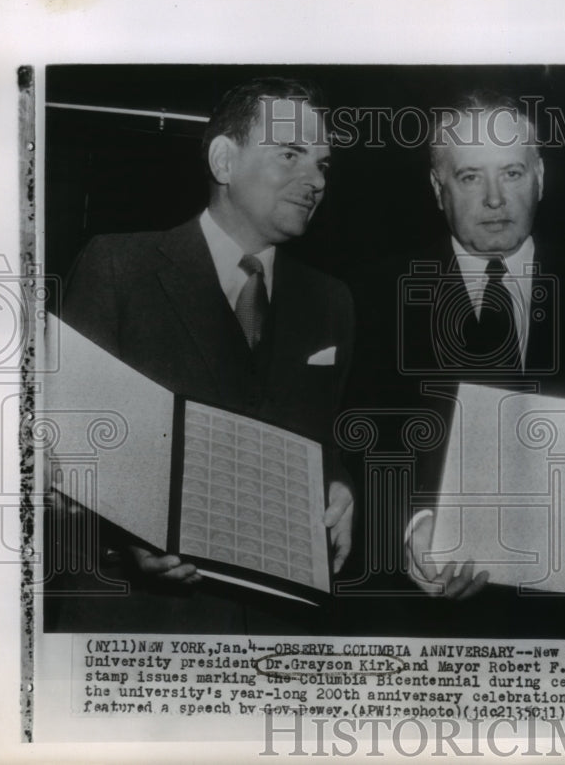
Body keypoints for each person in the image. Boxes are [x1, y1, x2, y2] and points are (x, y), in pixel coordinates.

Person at [48, 76, 355, 633]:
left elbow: (323, 439)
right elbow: (63, 457)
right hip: (138, 628)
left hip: (276, 637)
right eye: (291, 155)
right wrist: (122, 539)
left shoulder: (332, 301)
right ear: (224, 161)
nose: (314, 180)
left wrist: (338, 489)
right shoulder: (119, 267)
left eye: (323, 165)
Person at [342, 92, 565, 633]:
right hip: (424, 621)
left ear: (541, 177)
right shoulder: (370, 295)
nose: (493, 199)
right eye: (469, 177)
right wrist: (411, 529)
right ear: (438, 190)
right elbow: (357, 439)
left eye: (511, 172)